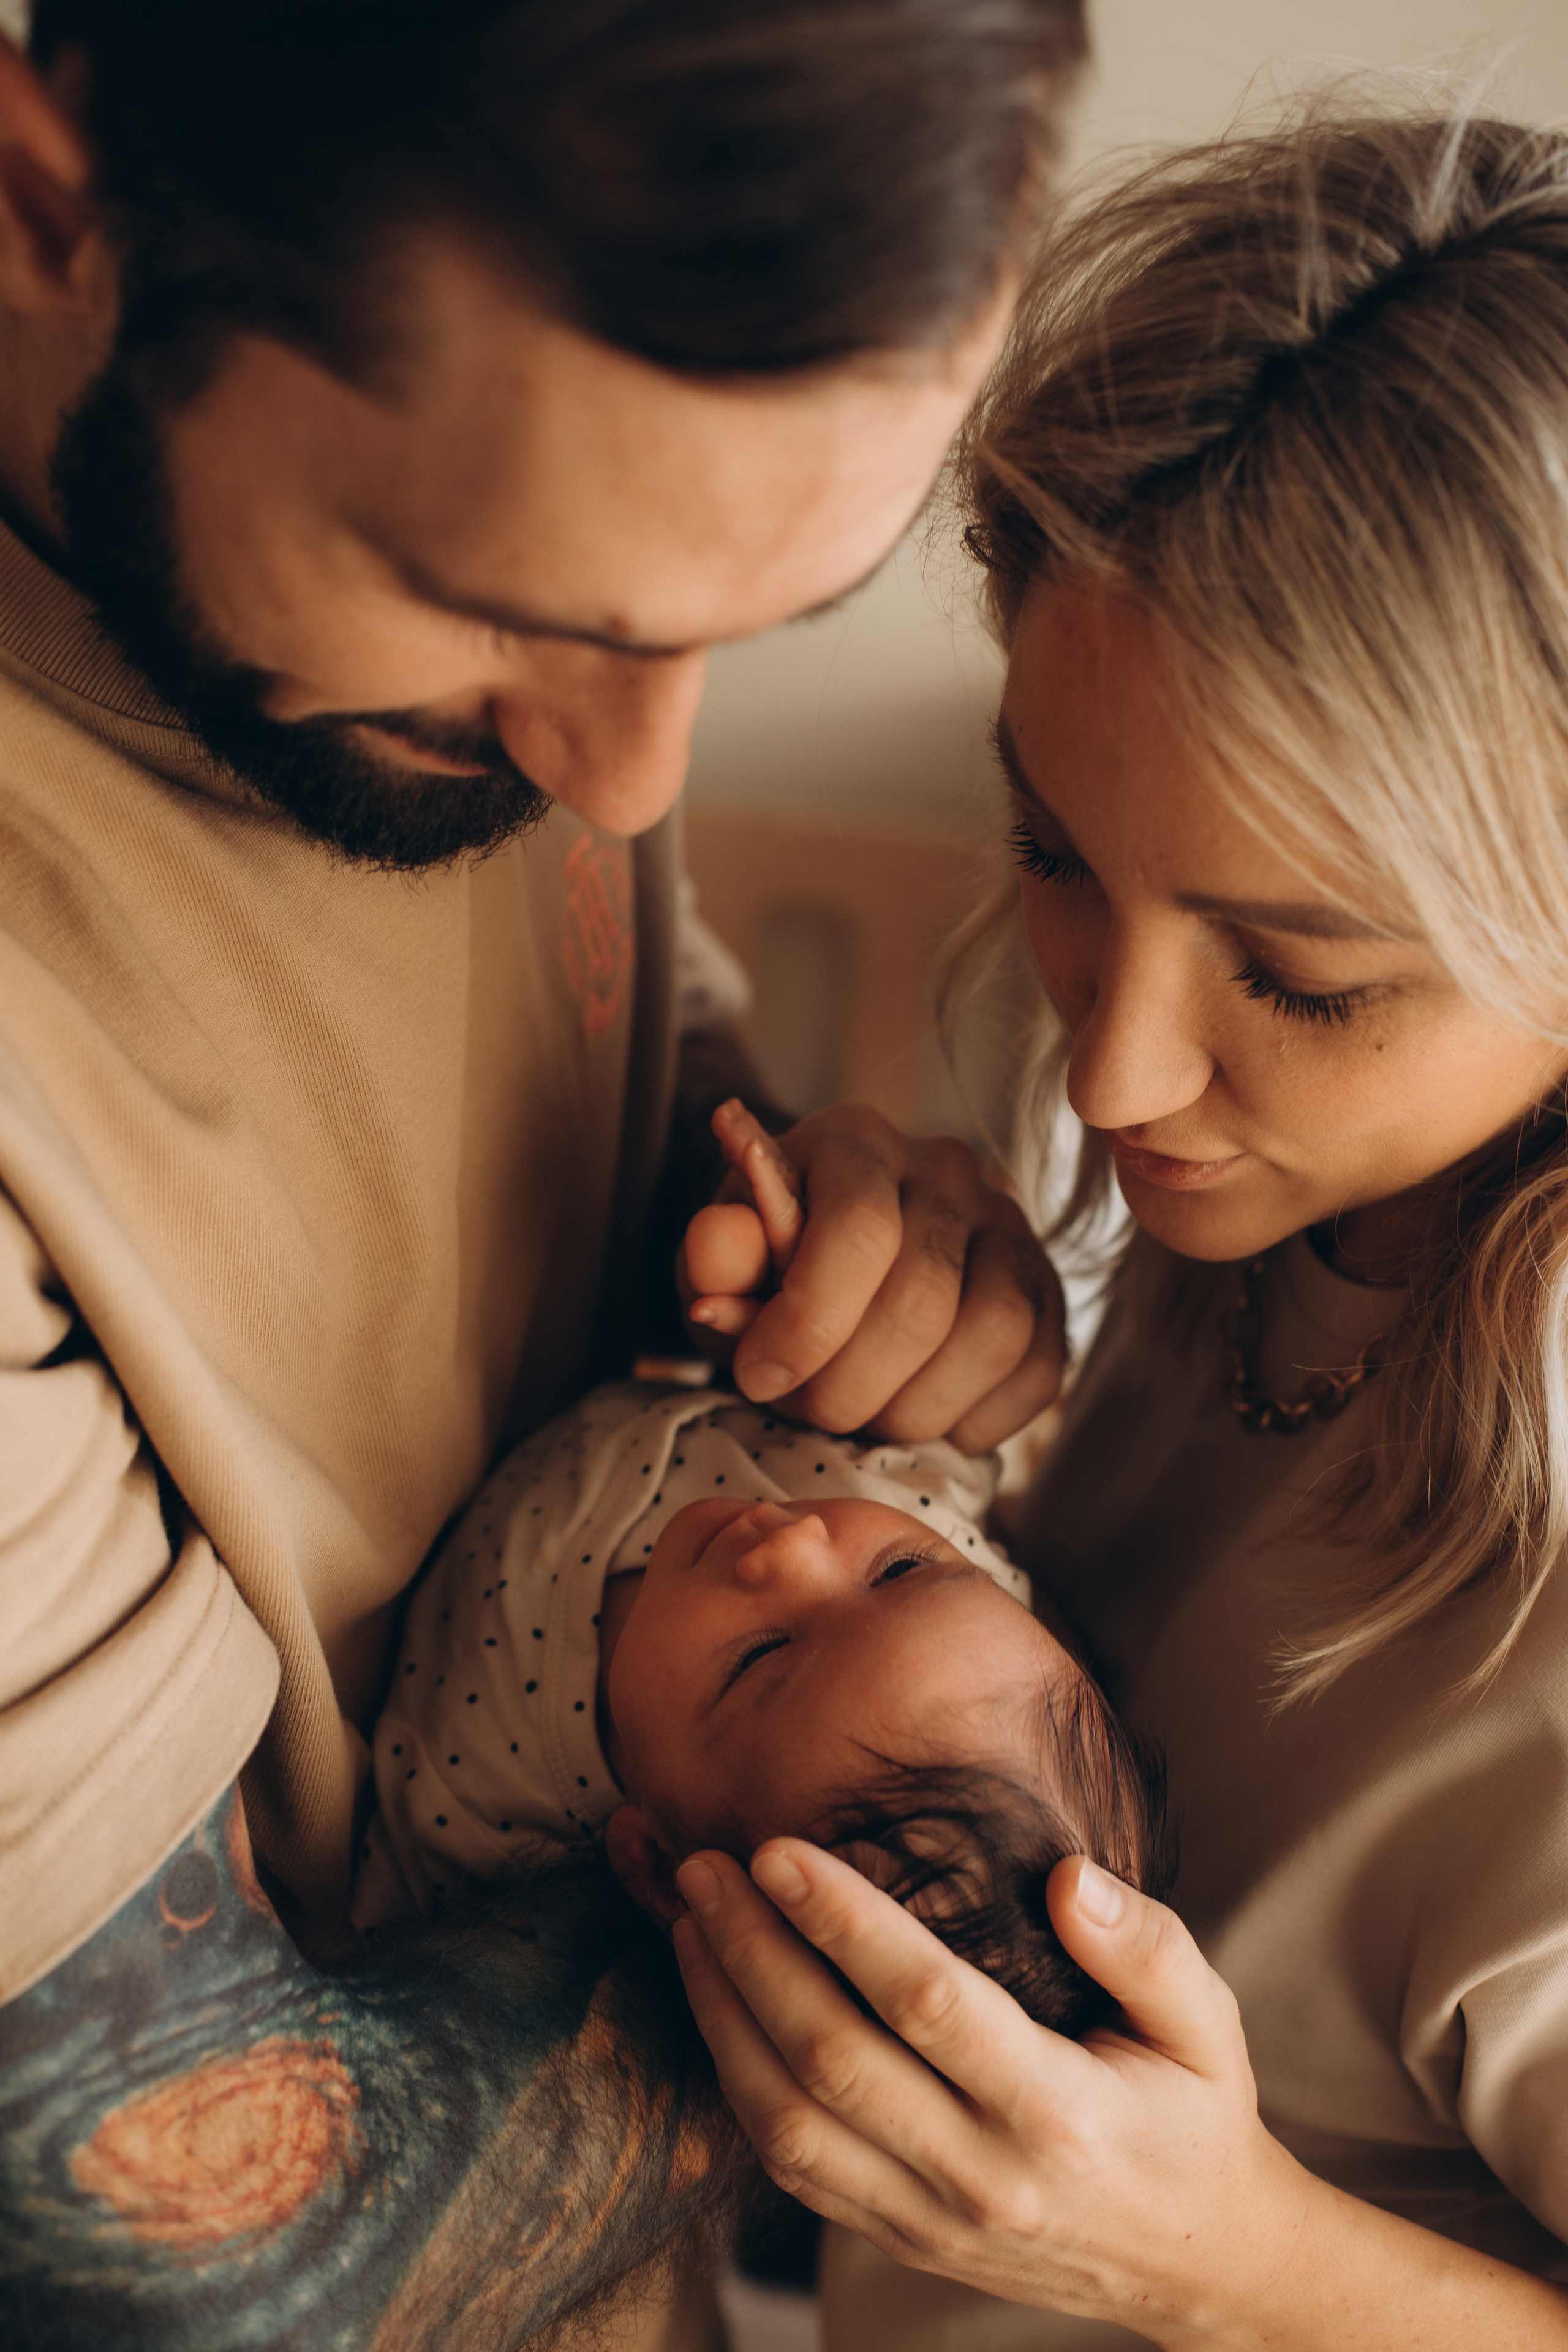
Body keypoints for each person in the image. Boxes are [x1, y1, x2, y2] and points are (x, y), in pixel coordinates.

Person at [0, 4, 1087, 2344]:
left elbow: (556, 1099)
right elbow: (187, 2243)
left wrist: (828, 1231)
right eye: (522, 609)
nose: (625, 775)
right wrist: (962, 1911)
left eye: (747, 630)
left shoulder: (492, 643)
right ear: (51, 213)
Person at [669, 105, 1568, 2351]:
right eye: (1058, 846)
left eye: (1302, 973)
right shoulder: (1292, 1206)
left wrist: (1222, 2266)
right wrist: (926, 1330)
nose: (1108, 1077)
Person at [350, 1370, 1173, 2045]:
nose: (795, 1547)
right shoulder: (909, 1496)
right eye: (900, 1574)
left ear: (662, 1868)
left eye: (760, 1658)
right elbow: (911, 1374)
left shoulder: (491, 1814)